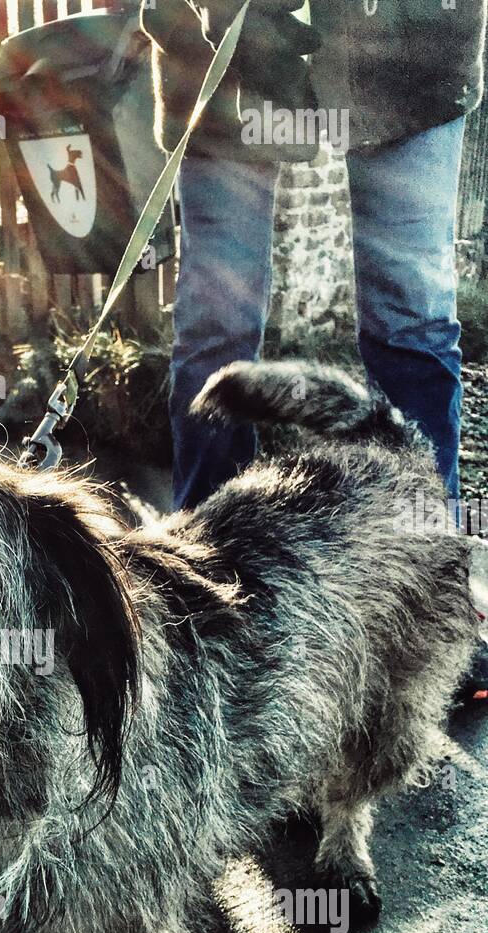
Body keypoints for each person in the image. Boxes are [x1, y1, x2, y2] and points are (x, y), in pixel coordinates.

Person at [141, 0, 488, 699]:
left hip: (408, 56)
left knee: (411, 320)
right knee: (216, 324)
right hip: (222, 55)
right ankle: (198, 588)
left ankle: (429, 596)